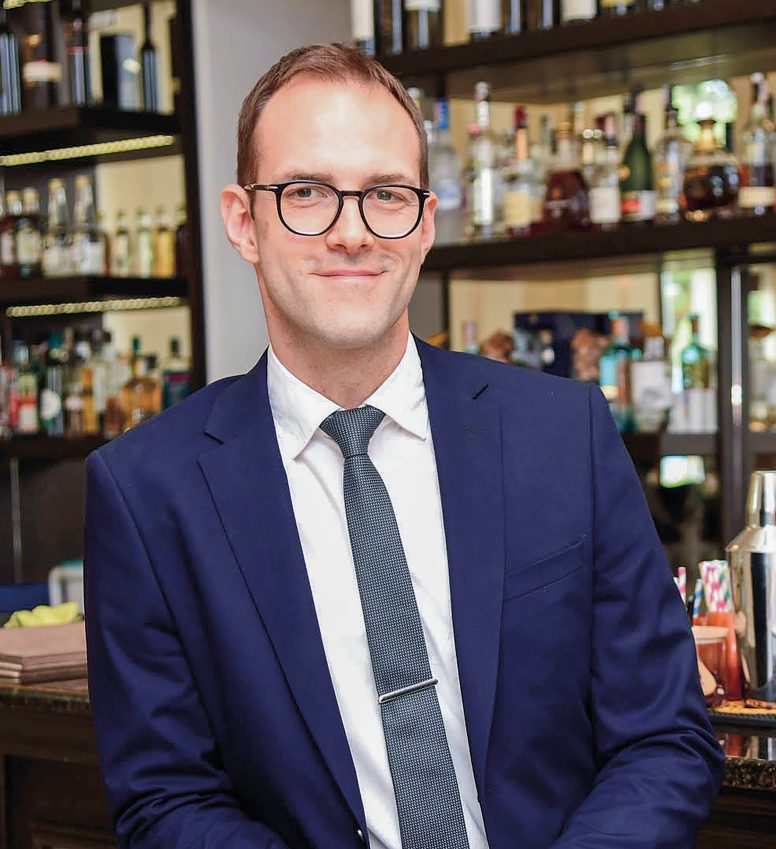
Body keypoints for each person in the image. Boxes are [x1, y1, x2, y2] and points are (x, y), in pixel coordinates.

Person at [84, 43, 723, 849]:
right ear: (243, 222)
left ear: (424, 222)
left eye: (385, 194)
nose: (352, 233)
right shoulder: (146, 491)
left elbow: (664, 737)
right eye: (307, 193)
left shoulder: (564, 434)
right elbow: (165, 799)